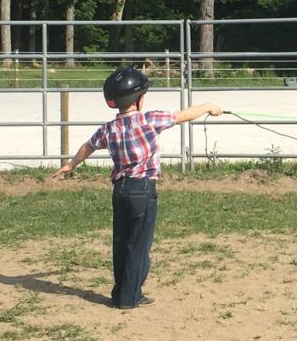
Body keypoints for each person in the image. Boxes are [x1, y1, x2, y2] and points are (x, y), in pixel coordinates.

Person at [51, 66, 223, 310]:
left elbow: (87, 146)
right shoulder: (149, 119)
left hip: (119, 191)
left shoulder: (108, 129)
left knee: (121, 243)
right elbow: (182, 115)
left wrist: (71, 165)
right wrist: (209, 106)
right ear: (139, 99)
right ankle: (130, 297)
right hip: (142, 189)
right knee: (139, 245)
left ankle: (120, 291)